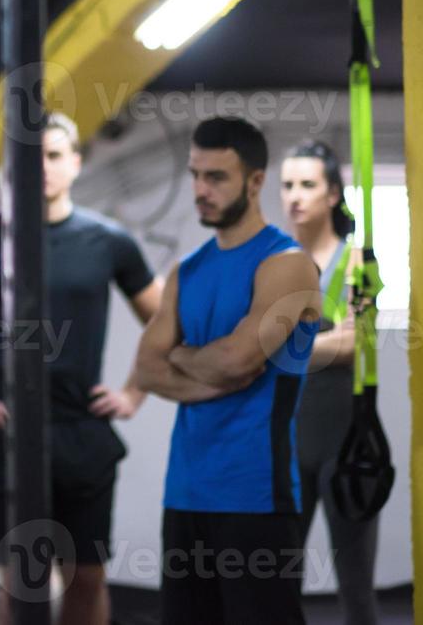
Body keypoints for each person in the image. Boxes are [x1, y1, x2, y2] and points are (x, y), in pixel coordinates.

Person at [0, 112, 162, 625]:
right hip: (7, 436)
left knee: (86, 578)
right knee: (24, 582)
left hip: (83, 436)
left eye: (55, 155)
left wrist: (134, 392)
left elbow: (166, 323)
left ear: (76, 164)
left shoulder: (109, 243)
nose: (43, 167)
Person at [133, 116, 321, 625]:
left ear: (256, 181)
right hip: (186, 494)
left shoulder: (287, 265)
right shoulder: (186, 271)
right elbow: (147, 368)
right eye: (195, 175)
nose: (200, 190)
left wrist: (183, 354)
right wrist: (207, 369)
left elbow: (239, 360)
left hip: (256, 496)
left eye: (215, 177)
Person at [281, 140, 379, 625]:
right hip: (285, 442)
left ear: (333, 193)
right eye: (287, 185)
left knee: (356, 587)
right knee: (278, 584)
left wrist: (286, 348)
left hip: (347, 441)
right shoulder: (272, 261)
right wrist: (325, 343)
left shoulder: (358, 259)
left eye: (308, 184)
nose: (295, 196)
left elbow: (360, 344)